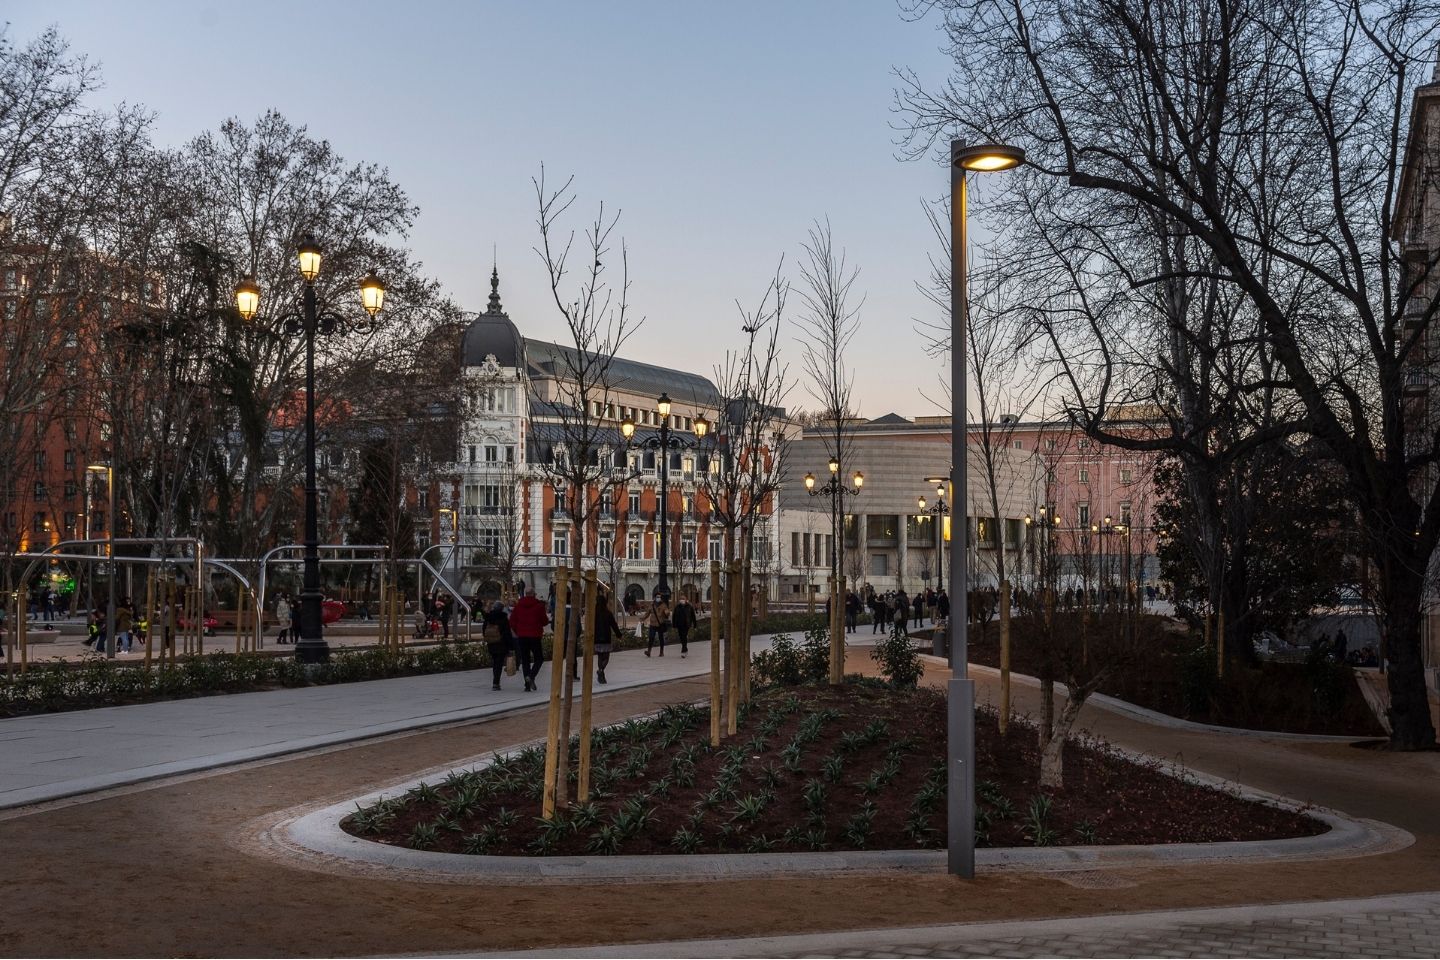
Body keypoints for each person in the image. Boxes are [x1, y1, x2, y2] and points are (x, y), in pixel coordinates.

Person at [509, 586, 549, 692]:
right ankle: (531, 676)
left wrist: (518, 631)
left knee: (525, 660)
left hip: (522, 636)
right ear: (534, 594)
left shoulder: (518, 606)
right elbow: (544, 621)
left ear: (525, 594)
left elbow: (512, 621)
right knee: (539, 658)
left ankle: (527, 685)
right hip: (535, 635)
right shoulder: (539, 606)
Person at [482, 601, 514, 691]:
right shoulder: (503, 618)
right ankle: (496, 683)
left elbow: (484, 629)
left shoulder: (488, 617)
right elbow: (507, 633)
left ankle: (495, 682)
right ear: (501, 608)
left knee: (495, 662)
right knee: (499, 664)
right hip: (501, 643)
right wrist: (511, 646)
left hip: (491, 643)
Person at [594, 587, 621, 684]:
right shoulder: (608, 613)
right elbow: (614, 625)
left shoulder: (594, 613)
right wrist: (619, 635)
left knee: (600, 657)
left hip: (596, 638)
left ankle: (600, 671)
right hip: (606, 638)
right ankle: (601, 671)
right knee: (606, 657)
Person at [671, 593, 696, 657]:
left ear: (686, 599)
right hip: (679, 624)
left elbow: (693, 616)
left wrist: (694, 624)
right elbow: (674, 616)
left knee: (684, 636)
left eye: (683, 599)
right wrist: (673, 625)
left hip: (686, 624)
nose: (682, 600)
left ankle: (683, 650)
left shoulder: (689, 607)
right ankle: (685, 648)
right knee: (681, 637)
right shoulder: (677, 607)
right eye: (681, 599)